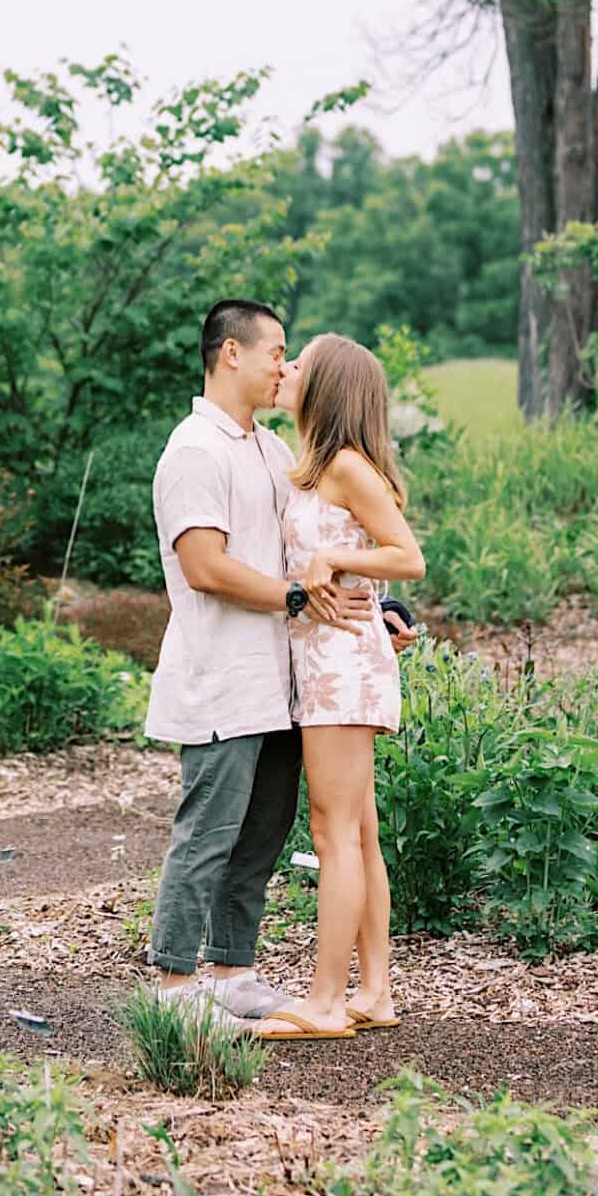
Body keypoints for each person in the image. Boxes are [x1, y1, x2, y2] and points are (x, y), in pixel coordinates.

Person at [143, 298, 374, 1022]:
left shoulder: (272, 451)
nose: (285, 363)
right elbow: (205, 566)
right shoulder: (193, 450)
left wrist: (376, 609)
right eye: (276, 350)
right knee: (207, 835)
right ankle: (176, 988)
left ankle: (233, 971)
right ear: (231, 353)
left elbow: (310, 551)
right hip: (219, 679)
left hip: (281, 685)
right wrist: (296, 601)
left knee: (261, 837)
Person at [253, 334, 425, 1041]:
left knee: (334, 832)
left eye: (298, 363)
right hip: (332, 659)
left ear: (327, 386)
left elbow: (407, 554)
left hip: (342, 668)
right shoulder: (317, 467)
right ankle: (375, 990)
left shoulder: (347, 466)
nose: (285, 369)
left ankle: (326, 1000)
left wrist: (333, 556)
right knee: (360, 830)